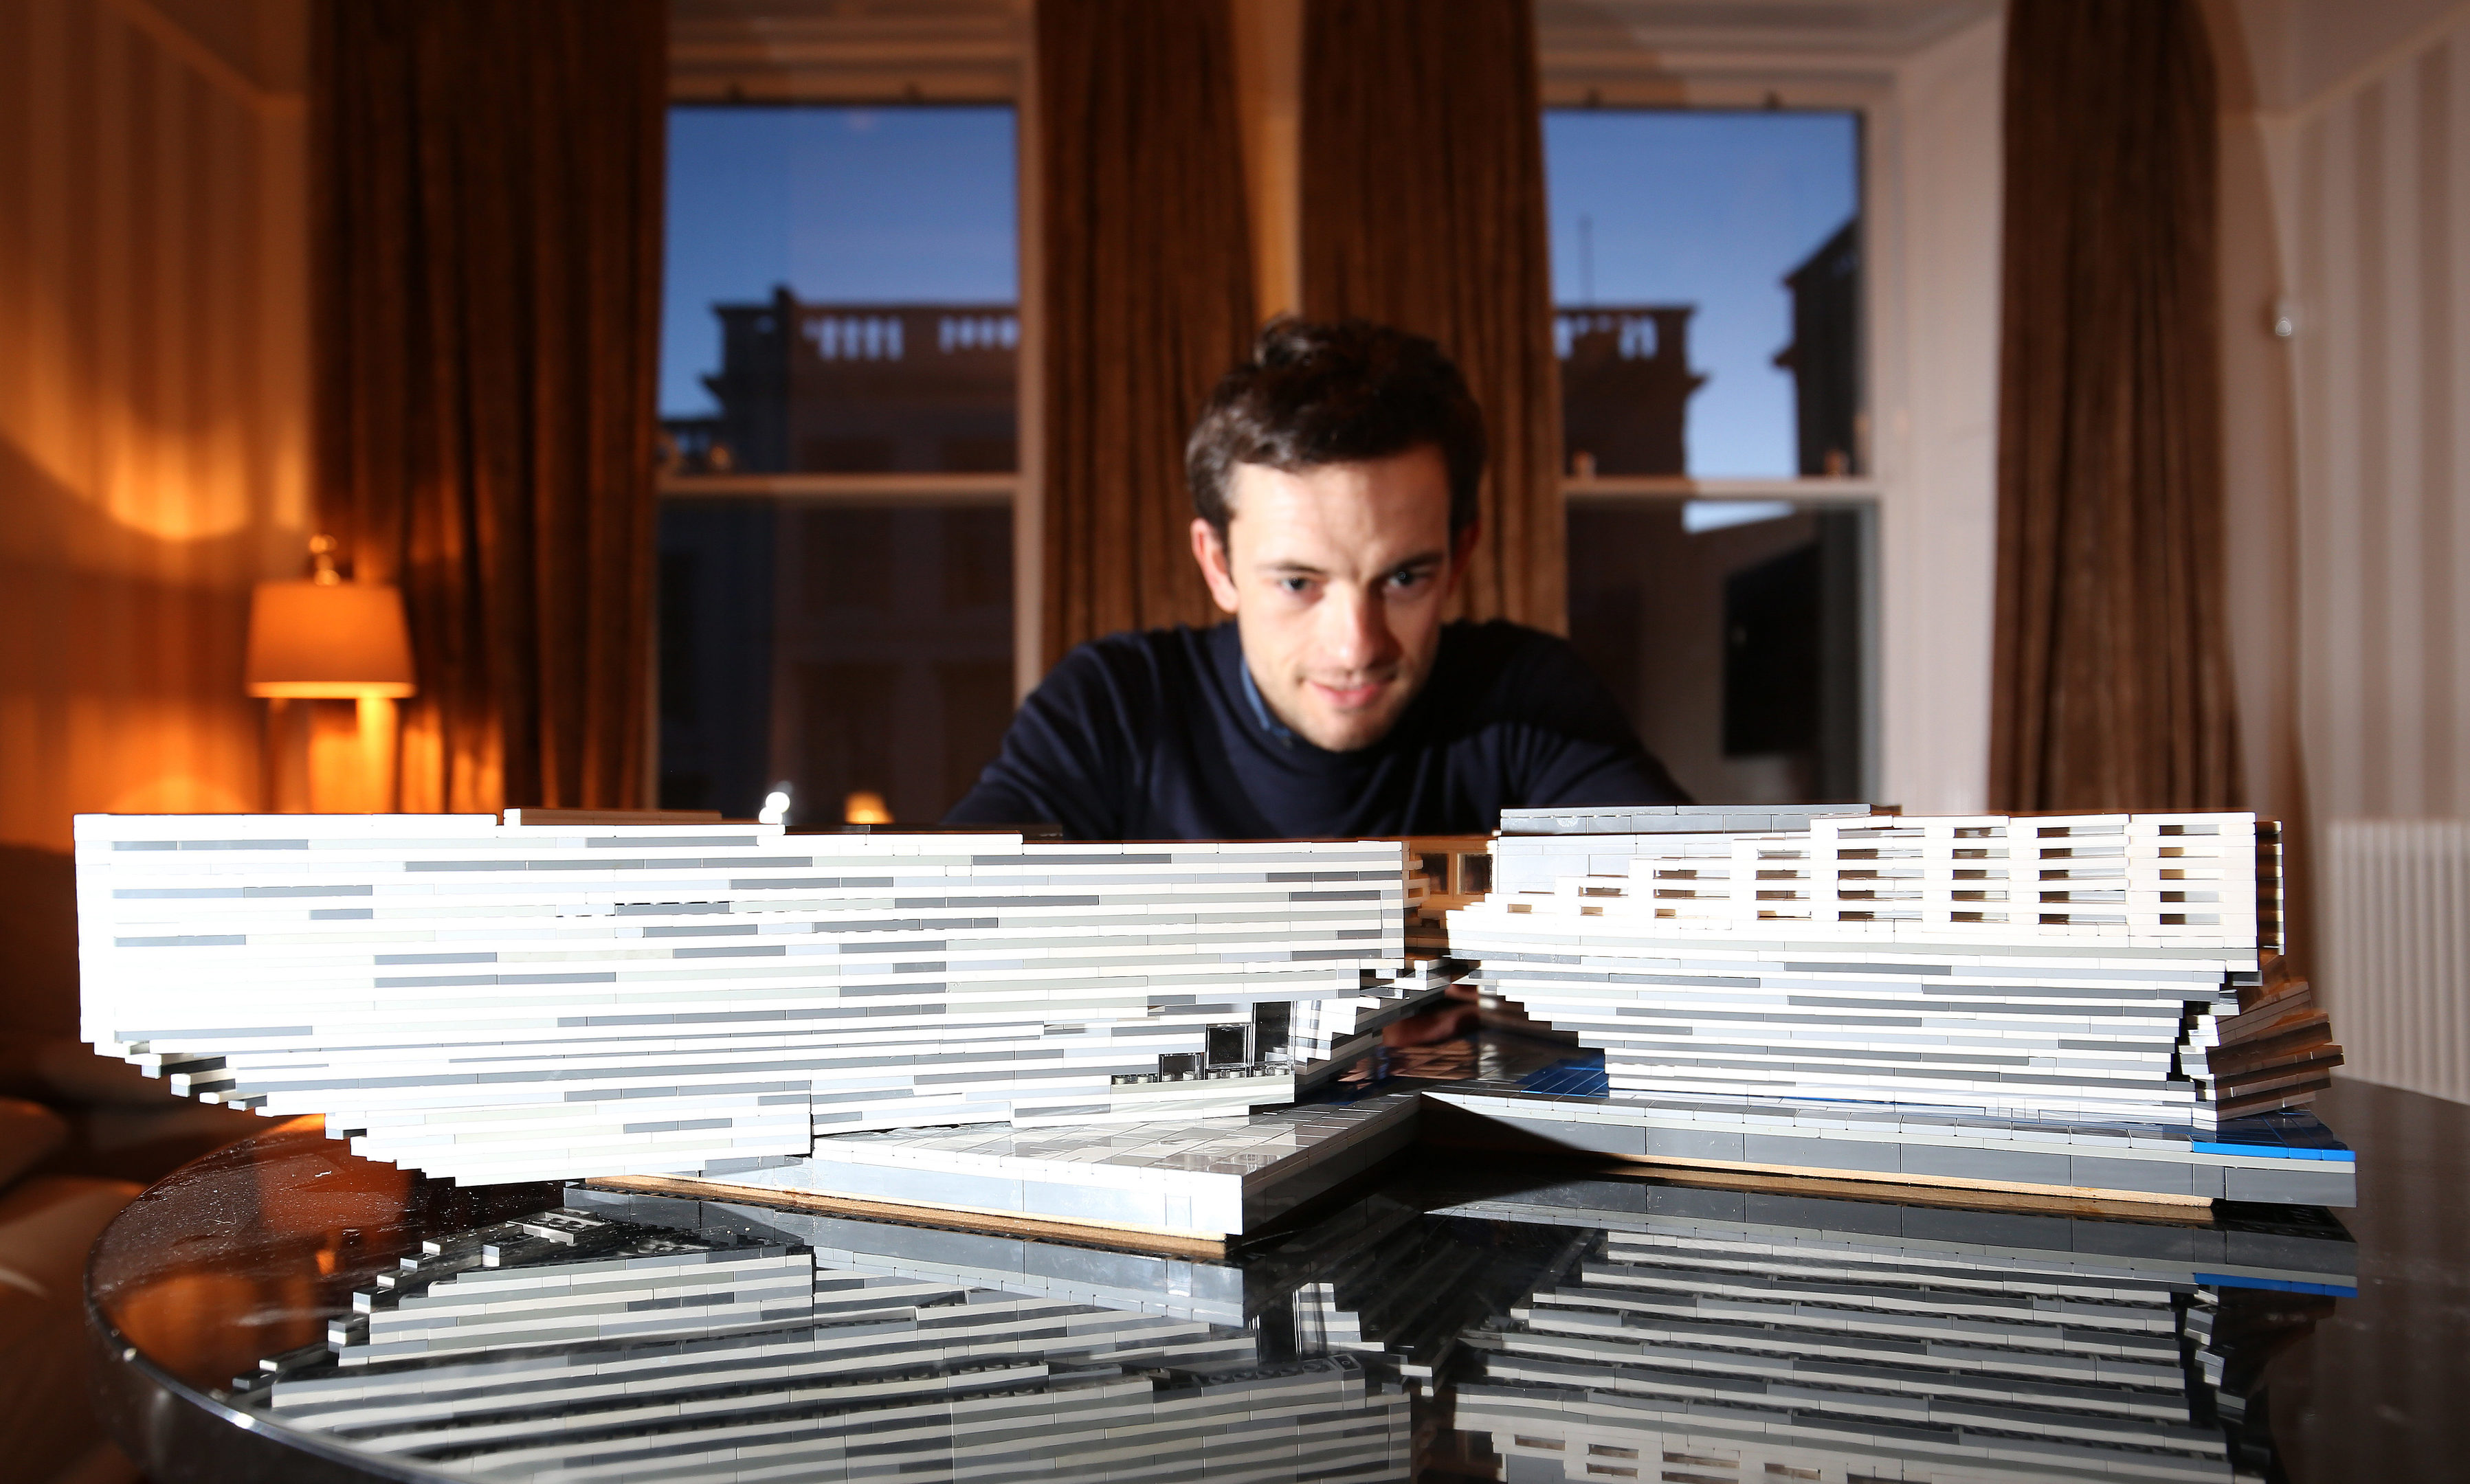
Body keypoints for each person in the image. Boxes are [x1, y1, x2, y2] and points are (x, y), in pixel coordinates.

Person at [945, 318, 1686, 840]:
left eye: (1402, 578)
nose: (1356, 647)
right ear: (1218, 565)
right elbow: (945, 927)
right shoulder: (1113, 706)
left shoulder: (1530, 698)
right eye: (1298, 583)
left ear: (1461, 556)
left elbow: (1705, 914)